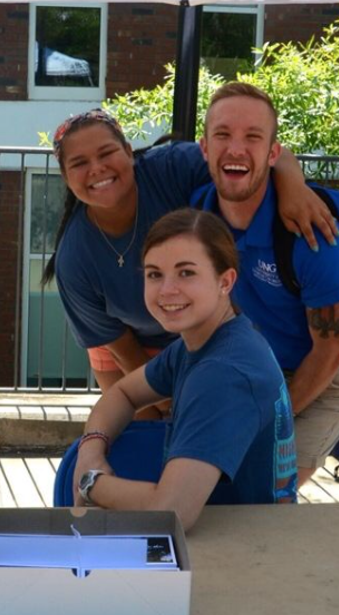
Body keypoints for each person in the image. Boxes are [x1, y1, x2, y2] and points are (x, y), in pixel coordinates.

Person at [43, 109, 335, 416]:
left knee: (210, 425)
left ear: (128, 152)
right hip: (128, 350)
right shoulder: (74, 259)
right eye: (79, 163)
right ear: (65, 176)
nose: (97, 168)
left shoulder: (170, 168)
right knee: (142, 434)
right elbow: (120, 347)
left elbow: (270, 157)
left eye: (106, 153)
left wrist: (294, 189)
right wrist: (165, 401)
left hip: (202, 333)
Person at [72, 209, 297, 530]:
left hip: (244, 546)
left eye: (186, 273)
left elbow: (172, 511)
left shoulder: (223, 373)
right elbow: (123, 393)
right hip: (243, 529)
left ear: (225, 281)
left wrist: (90, 483)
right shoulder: (206, 340)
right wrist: (91, 448)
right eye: (154, 274)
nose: (167, 290)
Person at [193, 82, 339, 486]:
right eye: (223, 134)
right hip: (256, 363)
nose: (236, 148)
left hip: (326, 371)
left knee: (265, 491)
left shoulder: (313, 236)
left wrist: (265, 422)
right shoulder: (197, 217)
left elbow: (331, 349)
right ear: (204, 147)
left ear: (273, 154)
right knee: (212, 481)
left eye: (252, 137)